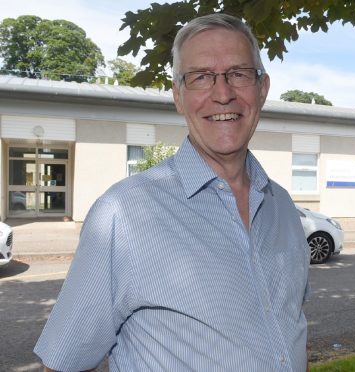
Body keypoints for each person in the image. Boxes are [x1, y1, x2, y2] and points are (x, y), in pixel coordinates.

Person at [34, 13, 310, 371]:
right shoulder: (124, 214)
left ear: (262, 88)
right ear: (178, 97)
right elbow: (63, 363)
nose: (223, 93)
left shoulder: (283, 209)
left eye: (238, 74)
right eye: (201, 78)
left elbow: (289, 332)